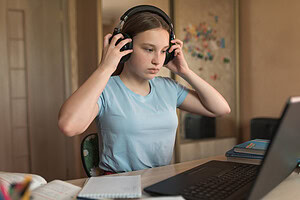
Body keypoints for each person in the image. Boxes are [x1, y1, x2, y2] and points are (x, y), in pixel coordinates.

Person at [58, 5, 231, 174]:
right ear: (125, 47)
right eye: (149, 49)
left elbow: (221, 109)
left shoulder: (169, 88)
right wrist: (105, 68)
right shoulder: (105, 89)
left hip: (160, 181)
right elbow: (69, 126)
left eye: (164, 51)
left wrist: (185, 72)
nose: (158, 60)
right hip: (118, 184)